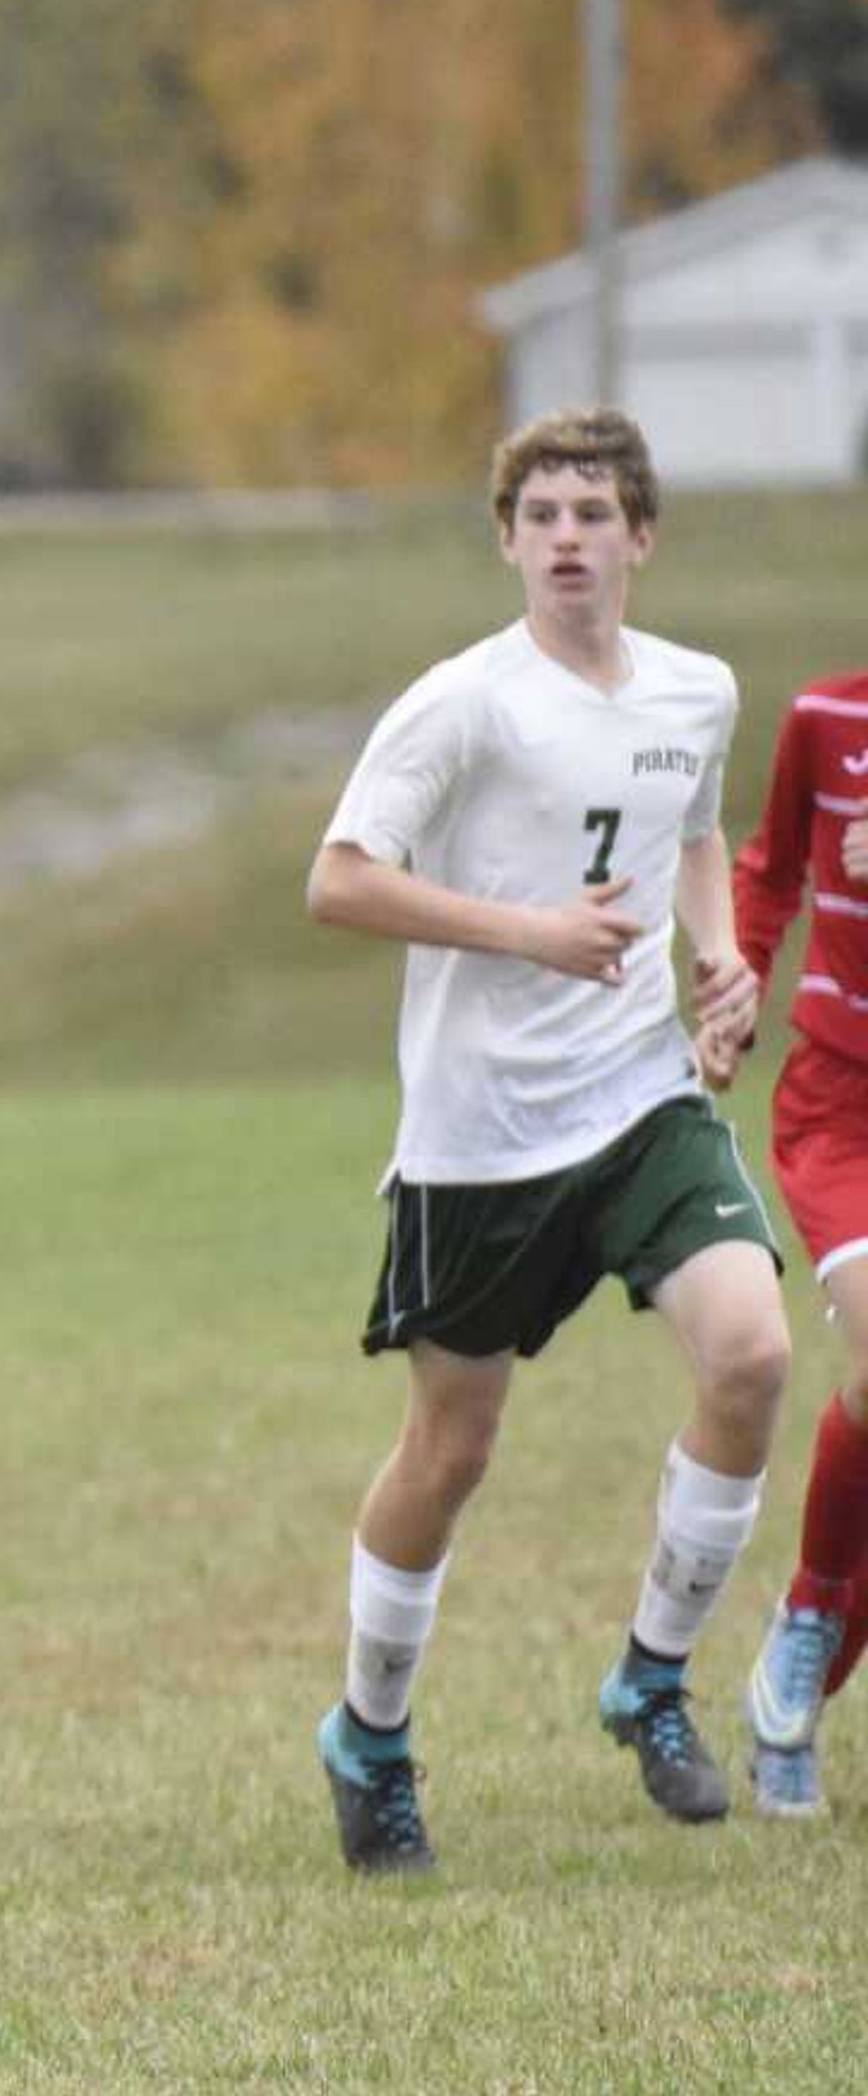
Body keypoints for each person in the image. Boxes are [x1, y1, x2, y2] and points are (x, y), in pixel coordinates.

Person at [303, 406, 777, 1876]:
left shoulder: (695, 691)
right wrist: (527, 931)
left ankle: (651, 1673)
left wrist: (720, 960)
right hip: (480, 1134)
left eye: (595, 510)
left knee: (752, 1352)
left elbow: (695, 833)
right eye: (543, 513)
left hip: (639, 1101)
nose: (568, 536)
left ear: (642, 536)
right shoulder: (464, 704)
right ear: (508, 540)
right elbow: (336, 881)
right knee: (452, 1448)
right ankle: (369, 1736)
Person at [732, 664, 868, 1814]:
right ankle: (813, 1612)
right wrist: (732, 988)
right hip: (843, 1106)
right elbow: (768, 872)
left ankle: (800, 1692)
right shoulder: (826, 719)